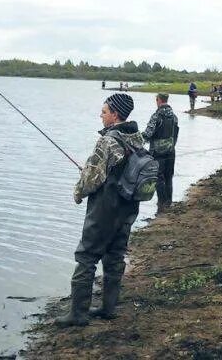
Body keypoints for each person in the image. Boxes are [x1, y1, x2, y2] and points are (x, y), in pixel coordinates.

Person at [56, 93, 144, 327]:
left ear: (115, 114)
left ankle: (78, 314)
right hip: (128, 207)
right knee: (115, 256)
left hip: (106, 208)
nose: (101, 115)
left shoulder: (107, 141)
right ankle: (108, 308)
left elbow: (91, 180)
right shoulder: (137, 137)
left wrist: (78, 192)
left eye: (104, 111)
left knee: (86, 256)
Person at [142, 93, 179, 213]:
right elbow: (176, 134)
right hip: (171, 151)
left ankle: (161, 204)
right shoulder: (174, 116)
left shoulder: (156, 116)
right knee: (169, 177)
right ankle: (169, 202)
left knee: (159, 178)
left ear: (158, 100)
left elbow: (147, 134)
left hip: (157, 153)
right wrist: (171, 146)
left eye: (156, 100)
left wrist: (137, 139)